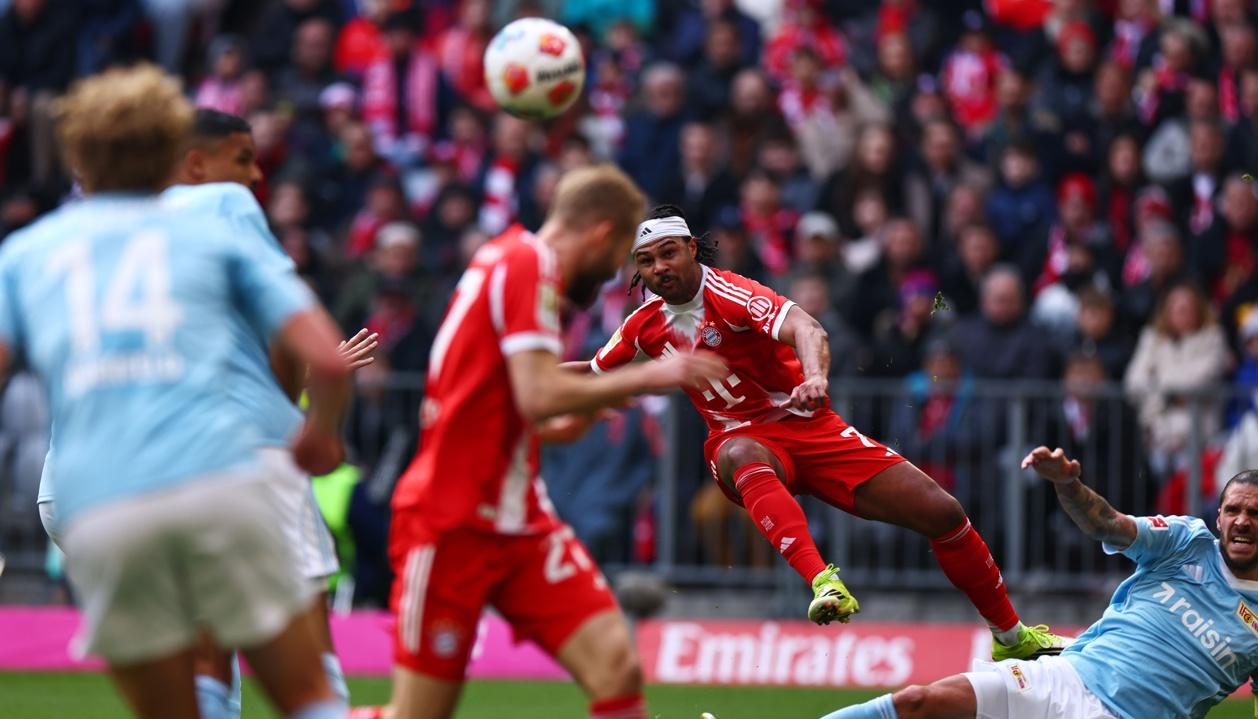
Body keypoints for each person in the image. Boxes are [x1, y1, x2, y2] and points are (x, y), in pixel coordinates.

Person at [2, 65, 350, 719]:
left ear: (78, 154)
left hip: (97, 501)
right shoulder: (217, 229)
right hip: (218, 477)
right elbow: (328, 358)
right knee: (309, 696)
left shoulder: (26, 252)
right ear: (173, 152)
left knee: (184, 699)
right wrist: (319, 434)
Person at [586, 204, 1068, 659]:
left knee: (942, 513)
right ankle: (823, 582)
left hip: (810, 427)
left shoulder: (731, 293)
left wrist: (815, 376)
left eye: (668, 253)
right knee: (741, 451)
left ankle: (1010, 636)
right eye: (646, 262)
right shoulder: (641, 327)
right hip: (737, 441)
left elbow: (806, 327)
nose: (659, 269)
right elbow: (592, 373)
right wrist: (523, 374)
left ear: (692, 248)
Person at [356, 166, 726, 719]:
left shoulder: (510, 264)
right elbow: (535, 393)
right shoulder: (527, 264)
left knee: (615, 667)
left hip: (519, 519)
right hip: (452, 522)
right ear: (602, 234)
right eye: (620, 256)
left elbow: (509, 406)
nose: (612, 277)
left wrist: (570, 420)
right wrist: (650, 374)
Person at [818, 446, 1258, 719]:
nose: (1242, 522)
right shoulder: (1186, 542)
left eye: (1254, 514)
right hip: (1066, 678)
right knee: (917, 702)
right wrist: (1069, 485)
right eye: (1234, 510)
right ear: (1217, 516)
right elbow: (1107, 524)